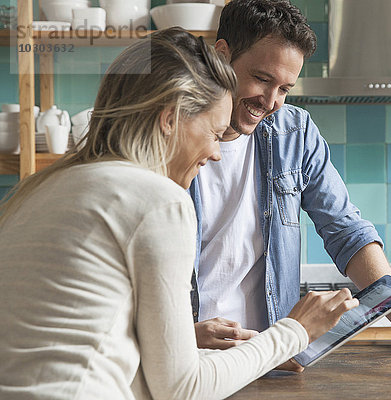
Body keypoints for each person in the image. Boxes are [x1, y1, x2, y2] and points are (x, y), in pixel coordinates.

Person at [0, 27, 358, 399]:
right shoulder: (158, 201)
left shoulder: (37, 190)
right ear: (170, 119)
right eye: (214, 133)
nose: (218, 153)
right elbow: (183, 390)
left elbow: (92, 343)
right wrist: (294, 332)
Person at [190, 0, 391, 360]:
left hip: (269, 357)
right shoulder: (171, 136)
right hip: (186, 358)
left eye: (285, 88)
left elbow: (346, 231)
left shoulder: (294, 132)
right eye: (262, 78)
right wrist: (181, 336)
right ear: (221, 54)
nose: (271, 101)